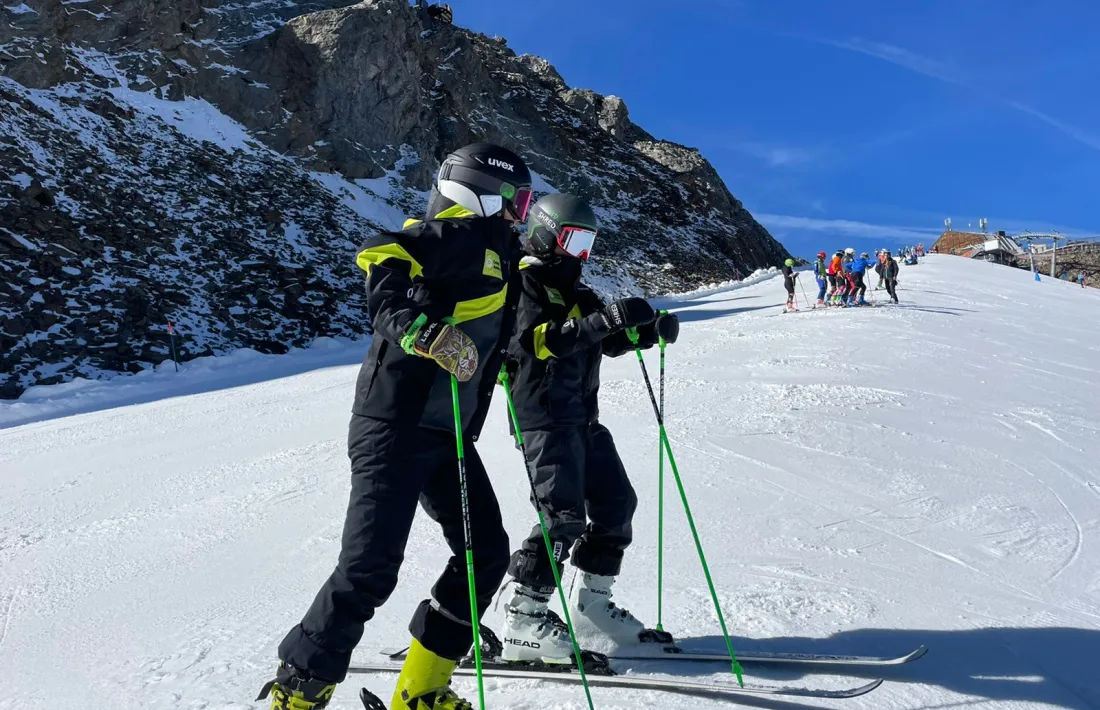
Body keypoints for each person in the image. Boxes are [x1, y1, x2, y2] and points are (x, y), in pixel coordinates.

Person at [259, 143, 536, 710]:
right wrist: (424, 333)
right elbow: (383, 263)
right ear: (480, 191)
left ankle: (423, 687)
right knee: (370, 565)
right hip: (395, 424)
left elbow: (506, 331)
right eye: (517, 200)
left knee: (485, 554)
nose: (521, 212)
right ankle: (298, 689)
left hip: (449, 432)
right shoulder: (443, 234)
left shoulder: (506, 253)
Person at [498, 194, 679, 662]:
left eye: (588, 243)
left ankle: (592, 606)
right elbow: (539, 343)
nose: (581, 252)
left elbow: (609, 340)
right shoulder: (524, 283)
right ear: (544, 233)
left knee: (617, 504)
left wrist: (645, 330)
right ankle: (523, 618)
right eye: (573, 239)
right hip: (543, 416)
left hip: (582, 415)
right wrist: (607, 319)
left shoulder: (579, 291)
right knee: (562, 515)